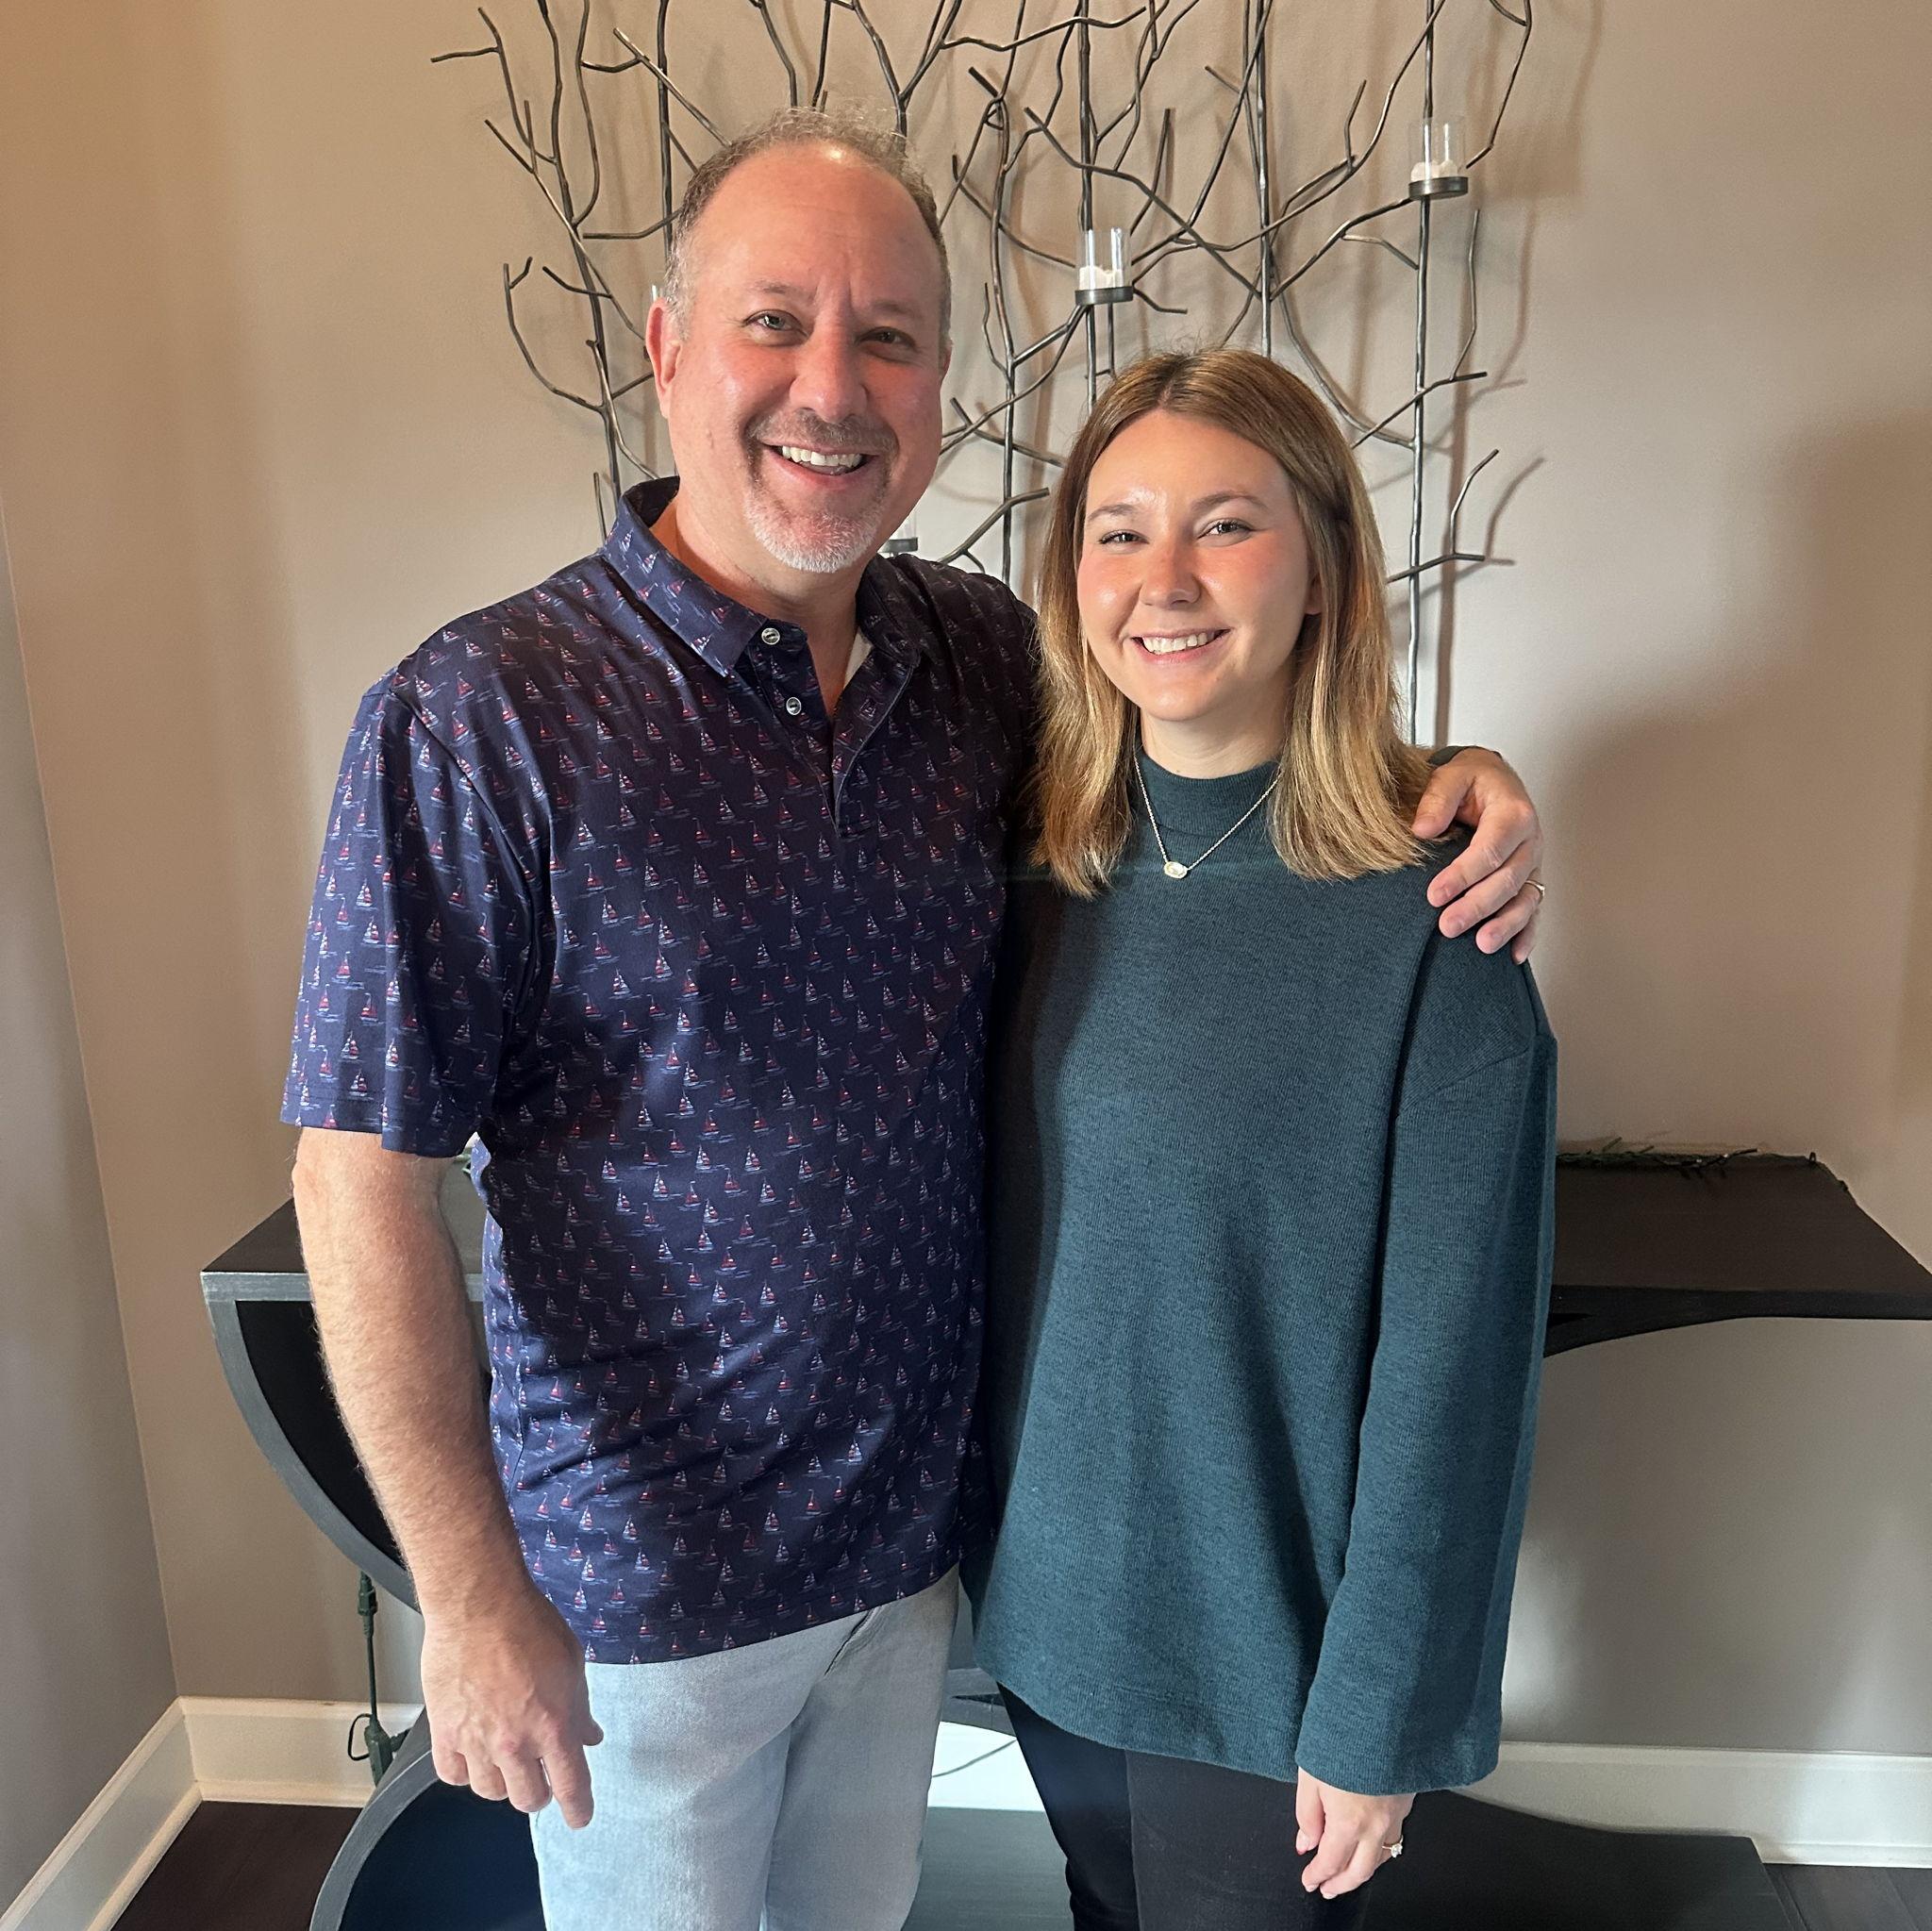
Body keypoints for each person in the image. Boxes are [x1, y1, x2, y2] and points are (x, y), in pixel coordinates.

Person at [283, 109, 1547, 1931]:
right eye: (773, 321)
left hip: (908, 1571)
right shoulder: (484, 716)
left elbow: (1218, 733)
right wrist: (471, 1597)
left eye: (887, 336)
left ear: (938, 388)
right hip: (645, 1593)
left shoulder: (974, 669)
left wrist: (1457, 777)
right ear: (667, 347)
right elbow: (355, 1172)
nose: (831, 386)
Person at [965, 347, 1557, 1931]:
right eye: (1118, 529)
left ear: (1324, 568)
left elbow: (1457, 1373)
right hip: (1043, 1615)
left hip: (1268, 1666)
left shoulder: (1435, 925)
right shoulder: (1016, 879)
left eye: (1225, 524)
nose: (1162, 578)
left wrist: (1382, 1710)